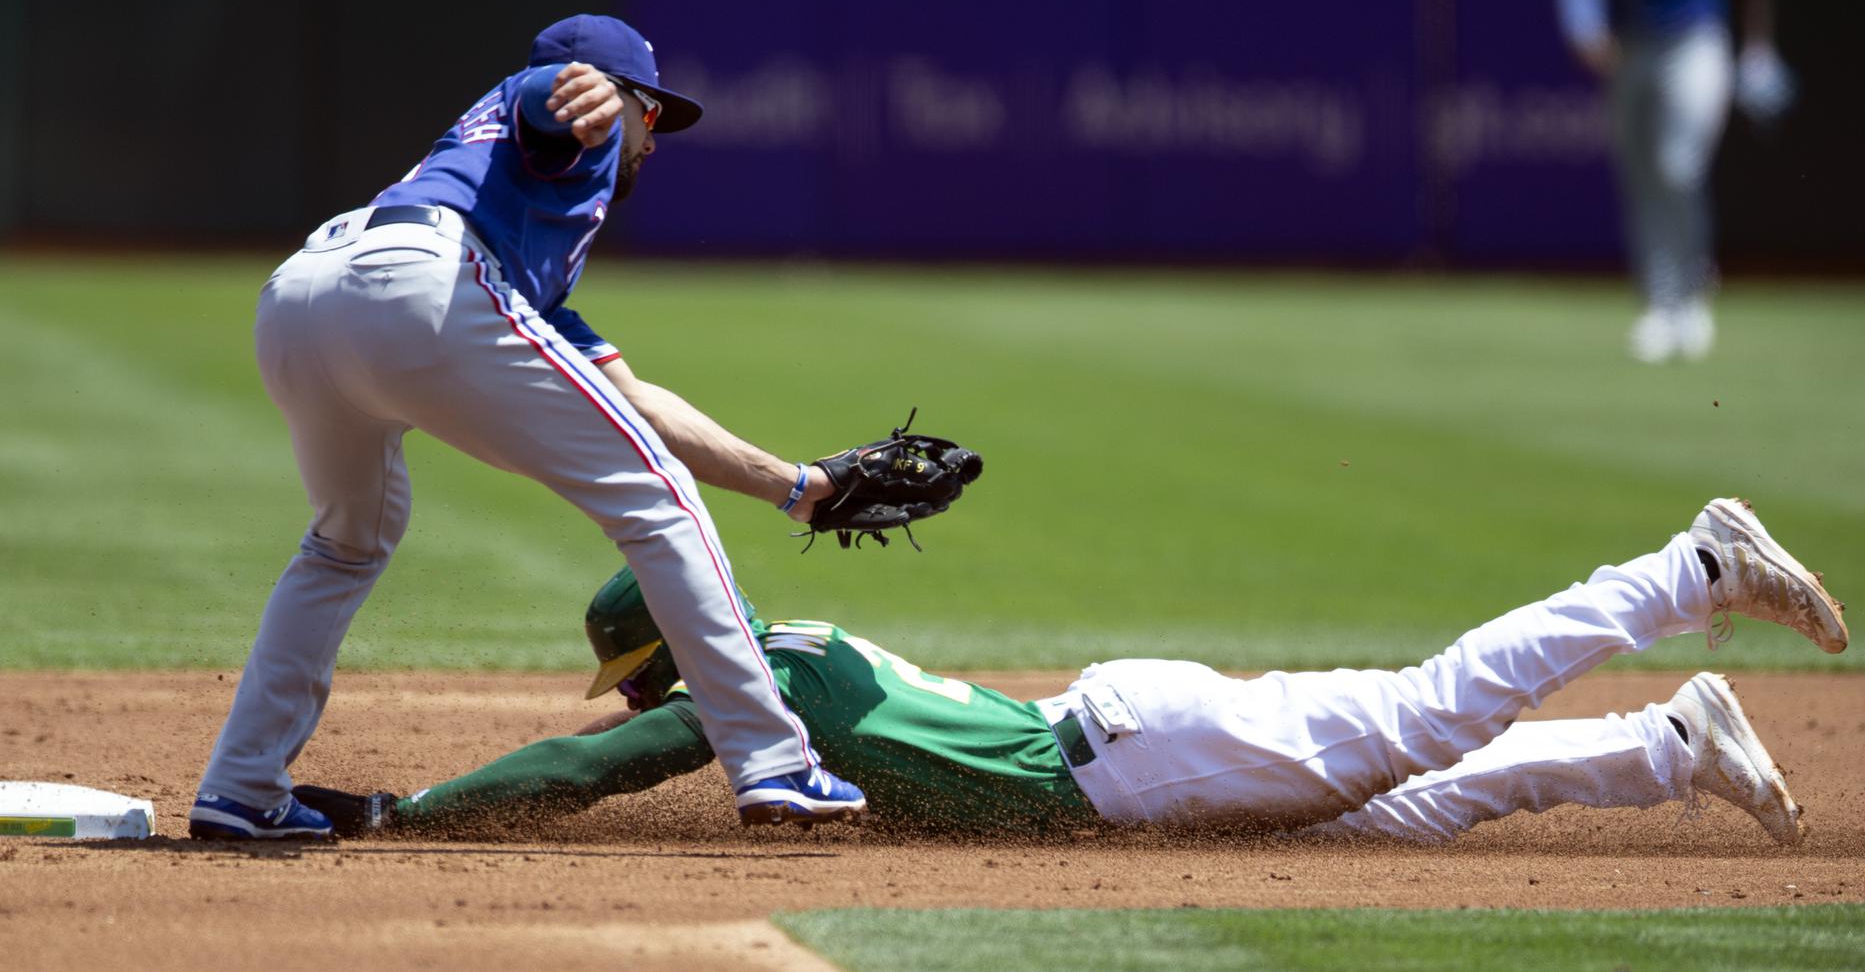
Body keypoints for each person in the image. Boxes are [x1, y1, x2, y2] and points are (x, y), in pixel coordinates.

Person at [190, 15, 866, 840]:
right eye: (651, 116)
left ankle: (241, 785)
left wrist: (800, 488)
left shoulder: (522, 242)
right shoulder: (557, 115)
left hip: (302, 298)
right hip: (419, 282)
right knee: (660, 503)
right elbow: (548, 105)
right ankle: (773, 760)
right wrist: (596, 96)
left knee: (346, 540)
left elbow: (635, 402)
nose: (651, 140)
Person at [296, 498, 1845, 845]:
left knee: (1423, 712)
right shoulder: (781, 658)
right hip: (1117, 743)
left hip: (1116, 757)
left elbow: (595, 766)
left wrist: (405, 810)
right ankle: (1664, 740)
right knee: (1399, 811)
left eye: (644, 677)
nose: (646, 707)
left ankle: (1682, 570)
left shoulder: (750, 680)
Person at [1555, 0, 1794, 363]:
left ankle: (1690, 294)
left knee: (1678, 165)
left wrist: (1758, 49)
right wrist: (1584, 23)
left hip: (1695, 41)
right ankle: (1660, 306)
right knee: (1640, 174)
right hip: (1632, 46)